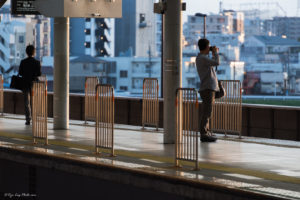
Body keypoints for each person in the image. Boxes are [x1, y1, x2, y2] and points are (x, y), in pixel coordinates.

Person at [196, 39, 219, 142]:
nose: (210, 48)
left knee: (208, 111)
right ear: (206, 47)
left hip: (209, 88)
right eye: (209, 47)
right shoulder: (202, 58)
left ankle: (206, 132)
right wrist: (216, 53)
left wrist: (212, 53)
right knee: (207, 112)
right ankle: (204, 133)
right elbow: (217, 62)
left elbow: (212, 63)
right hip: (207, 88)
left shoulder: (202, 58)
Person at [18, 45, 41, 125]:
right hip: (33, 84)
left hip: (25, 84)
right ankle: (35, 118)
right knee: (33, 102)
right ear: (34, 52)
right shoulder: (37, 62)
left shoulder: (23, 62)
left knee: (26, 102)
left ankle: (28, 119)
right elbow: (39, 74)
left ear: (26, 52)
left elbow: (20, 73)